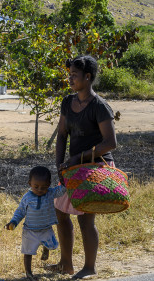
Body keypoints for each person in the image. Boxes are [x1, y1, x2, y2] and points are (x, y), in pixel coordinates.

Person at [49, 55, 117, 279]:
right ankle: (65, 265)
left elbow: (110, 143)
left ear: (87, 77)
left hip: (95, 167)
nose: (70, 79)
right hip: (72, 167)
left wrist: (80, 157)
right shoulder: (68, 102)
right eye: (69, 74)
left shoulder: (99, 106)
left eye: (74, 75)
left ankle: (89, 268)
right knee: (60, 211)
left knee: (85, 218)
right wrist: (60, 164)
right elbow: (61, 135)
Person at [5, 166, 66, 280]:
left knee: (52, 246)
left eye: (44, 187)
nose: (39, 190)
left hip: (46, 229)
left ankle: (45, 247)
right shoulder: (27, 197)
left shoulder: (50, 193)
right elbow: (20, 211)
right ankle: (28, 273)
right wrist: (13, 222)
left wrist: (65, 180)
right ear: (29, 184)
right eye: (36, 186)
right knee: (28, 252)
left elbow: (62, 190)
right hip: (29, 231)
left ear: (49, 185)